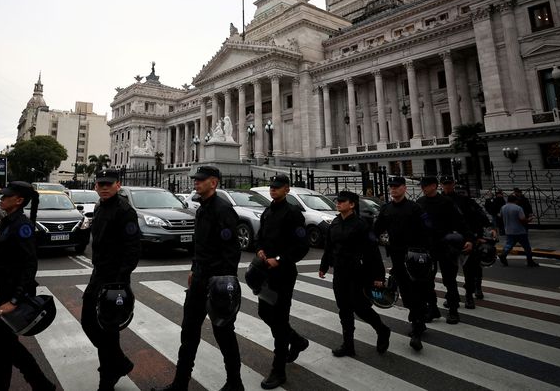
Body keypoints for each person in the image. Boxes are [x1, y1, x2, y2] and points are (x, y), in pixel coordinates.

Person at [153, 166, 242, 391]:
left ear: (214, 182)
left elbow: (231, 250)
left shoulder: (223, 210)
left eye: (201, 180)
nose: (196, 183)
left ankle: (235, 383)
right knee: (189, 332)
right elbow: (200, 246)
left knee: (223, 334)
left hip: (217, 282)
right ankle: (180, 383)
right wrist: (194, 268)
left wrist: (224, 281)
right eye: (195, 180)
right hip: (200, 279)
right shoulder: (201, 209)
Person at [0, 181, 57, 391]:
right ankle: (42, 385)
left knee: (0, 351)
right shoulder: (8, 220)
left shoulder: (22, 225)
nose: (1, 198)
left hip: (15, 293)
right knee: (4, 349)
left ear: (18, 201)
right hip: (6, 290)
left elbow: (29, 266)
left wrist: (14, 301)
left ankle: (40, 385)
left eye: (6, 196)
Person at [81, 168, 141, 390]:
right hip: (99, 274)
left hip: (114, 278)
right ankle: (119, 362)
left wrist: (120, 282)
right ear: (95, 186)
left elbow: (133, 249)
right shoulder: (99, 207)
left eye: (109, 184)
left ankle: (107, 376)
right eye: (100, 184)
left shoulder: (125, 211)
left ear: (118, 185)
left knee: (108, 328)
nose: (104, 188)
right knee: (88, 321)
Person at [254, 173, 310, 389]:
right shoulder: (267, 212)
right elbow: (260, 237)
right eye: (271, 187)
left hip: (283, 274)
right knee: (264, 312)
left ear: (287, 189)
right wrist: (259, 249)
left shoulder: (293, 213)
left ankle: (278, 372)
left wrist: (279, 259)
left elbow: (301, 245)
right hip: (266, 273)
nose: (273, 190)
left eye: (277, 187)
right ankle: (297, 341)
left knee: (278, 320)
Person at [320, 190, 390, 359]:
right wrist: (323, 266)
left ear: (352, 204)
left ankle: (382, 330)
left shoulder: (361, 225)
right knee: (344, 308)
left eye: (342, 201)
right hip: (340, 273)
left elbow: (373, 253)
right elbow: (329, 247)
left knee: (361, 308)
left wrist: (379, 277)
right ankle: (348, 345)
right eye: (338, 200)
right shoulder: (335, 223)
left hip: (358, 273)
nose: (338, 203)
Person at [373, 176, 430, 351]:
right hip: (397, 257)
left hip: (415, 256)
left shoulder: (415, 208)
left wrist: (426, 252)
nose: (393, 189)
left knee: (417, 291)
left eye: (397, 187)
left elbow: (427, 229)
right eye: (391, 187)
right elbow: (376, 230)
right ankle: (417, 319)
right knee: (406, 290)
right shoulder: (386, 209)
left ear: (404, 188)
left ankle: (417, 327)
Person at [416, 176, 471, 325]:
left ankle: (453, 311)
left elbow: (460, 222)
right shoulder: (420, 202)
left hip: (445, 246)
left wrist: (468, 239)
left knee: (449, 280)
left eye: (426, 186)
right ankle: (432, 308)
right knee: (427, 281)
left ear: (434, 186)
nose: (423, 188)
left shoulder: (446, 202)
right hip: (428, 247)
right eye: (422, 186)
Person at [441, 177, 494, 307]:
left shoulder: (464, 200)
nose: (447, 186)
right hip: (447, 240)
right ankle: (451, 296)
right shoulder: (438, 201)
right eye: (444, 184)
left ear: (453, 184)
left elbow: (478, 216)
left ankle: (470, 295)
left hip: (466, 239)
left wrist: (483, 232)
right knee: (448, 273)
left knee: (470, 270)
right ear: (441, 185)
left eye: (449, 183)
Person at [499, 195, 539, 267]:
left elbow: (500, 216)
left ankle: (503, 254)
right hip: (519, 230)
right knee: (527, 247)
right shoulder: (518, 208)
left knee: (509, 245)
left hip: (508, 230)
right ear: (515, 200)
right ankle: (530, 261)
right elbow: (522, 219)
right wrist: (529, 219)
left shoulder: (503, 207)